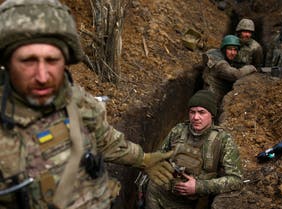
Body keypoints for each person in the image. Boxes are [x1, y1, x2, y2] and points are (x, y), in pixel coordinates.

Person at [0, 0, 174, 208]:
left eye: (52, 60)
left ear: (65, 61)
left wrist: (142, 159)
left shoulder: (77, 100)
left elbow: (105, 138)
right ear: (7, 63)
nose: (42, 76)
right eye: (28, 60)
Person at [145, 90, 243, 209]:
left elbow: (236, 180)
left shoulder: (223, 140)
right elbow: (159, 156)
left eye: (202, 112)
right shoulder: (178, 130)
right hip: (157, 193)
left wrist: (199, 186)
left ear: (212, 114)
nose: (196, 117)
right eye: (192, 112)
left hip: (188, 203)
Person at [202, 35, 256, 109]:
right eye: (230, 49)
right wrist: (250, 68)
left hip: (208, 92)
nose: (233, 53)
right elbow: (235, 75)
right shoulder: (221, 65)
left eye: (235, 50)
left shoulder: (214, 54)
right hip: (214, 99)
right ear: (224, 49)